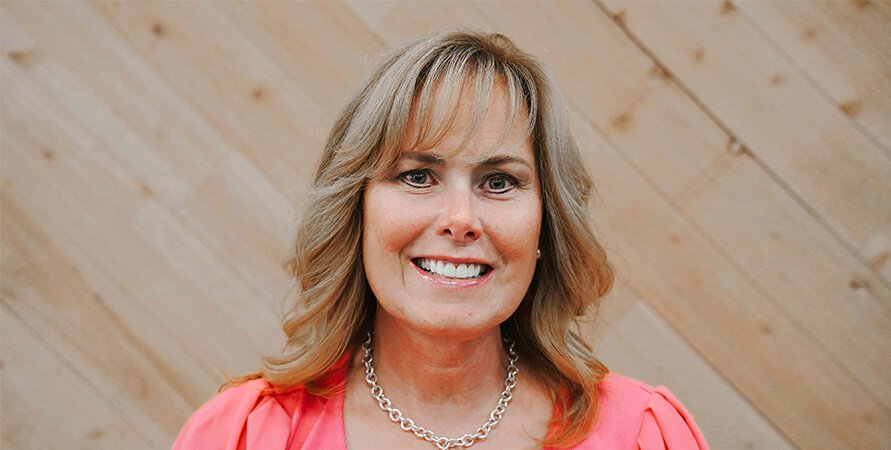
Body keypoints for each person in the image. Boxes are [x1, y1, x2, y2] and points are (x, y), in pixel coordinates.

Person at [172, 30, 709, 450]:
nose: (460, 218)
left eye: (499, 182)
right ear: (357, 212)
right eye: (417, 176)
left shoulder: (644, 434)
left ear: (547, 223)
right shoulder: (243, 435)